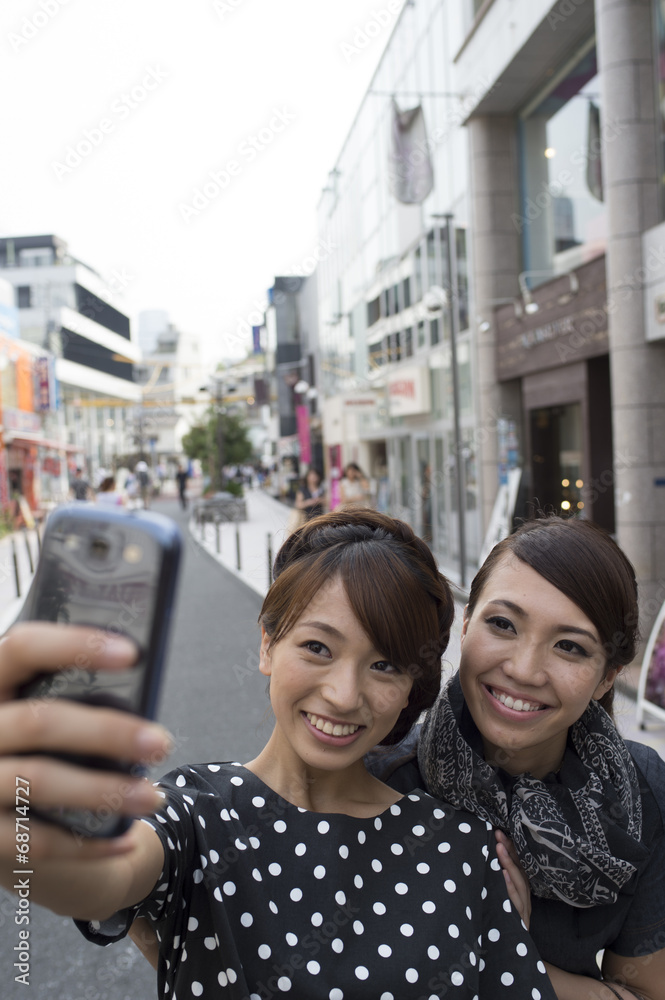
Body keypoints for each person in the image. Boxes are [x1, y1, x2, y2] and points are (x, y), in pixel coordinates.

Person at [0, 510, 556, 999]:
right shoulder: (195, 815)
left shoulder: (462, 849)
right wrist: (27, 834)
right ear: (268, 643)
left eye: (384, 665)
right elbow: (98, 878)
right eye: (317, 647)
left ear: (412, 686)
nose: (343, 694)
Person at [374, 515, 665, 1000]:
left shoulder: (640, 791)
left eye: (569, 647)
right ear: (465, 626)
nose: (524, 670)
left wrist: (509, 955)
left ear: (608, 677)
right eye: (502, 624)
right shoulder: (384, 783)